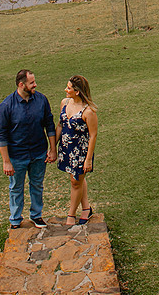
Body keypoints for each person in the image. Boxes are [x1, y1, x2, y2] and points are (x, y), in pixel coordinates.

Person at [0, 69, 56, 229]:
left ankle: (36, 215)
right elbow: (1, 135)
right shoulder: (6, 106)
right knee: (16, 188)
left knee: (37, 185)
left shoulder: (42, 100)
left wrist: (52, 149)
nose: (35, 84)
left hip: (38, 153)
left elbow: (49, 125)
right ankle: (15, 219)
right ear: (21, 84)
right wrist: (6, 161)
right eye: (32, 83)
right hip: (17, 156)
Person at [56, 75, 98, 226]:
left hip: (80, 152)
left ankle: (71, 215)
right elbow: (60, 125)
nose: (65, 90)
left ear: (77, 92)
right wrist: (52, 148)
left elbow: (93, 136)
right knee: (77, 180)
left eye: (69, 88)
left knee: (75, 182)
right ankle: (86, 208)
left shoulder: (88, 112)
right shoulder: (64, 103)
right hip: (66, 149)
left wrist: (88, 159)